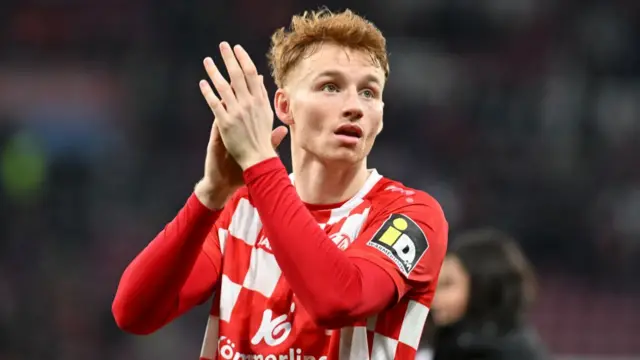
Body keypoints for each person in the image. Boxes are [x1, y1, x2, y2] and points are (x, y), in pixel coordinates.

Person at [112, 8, 448, 360]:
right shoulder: (240, 210)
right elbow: (135, 313)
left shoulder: (411, 215)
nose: (354, 106)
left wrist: (259, 161)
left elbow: (338, 301)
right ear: (284, 107)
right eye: (330, 87)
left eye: (368, 92)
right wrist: (210, 195)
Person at [418, 228, 548, 360]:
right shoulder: (452, 342)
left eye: (447, 284)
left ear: (481, 287)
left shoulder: (510, 353)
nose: (434, 297)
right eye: (435, 284)